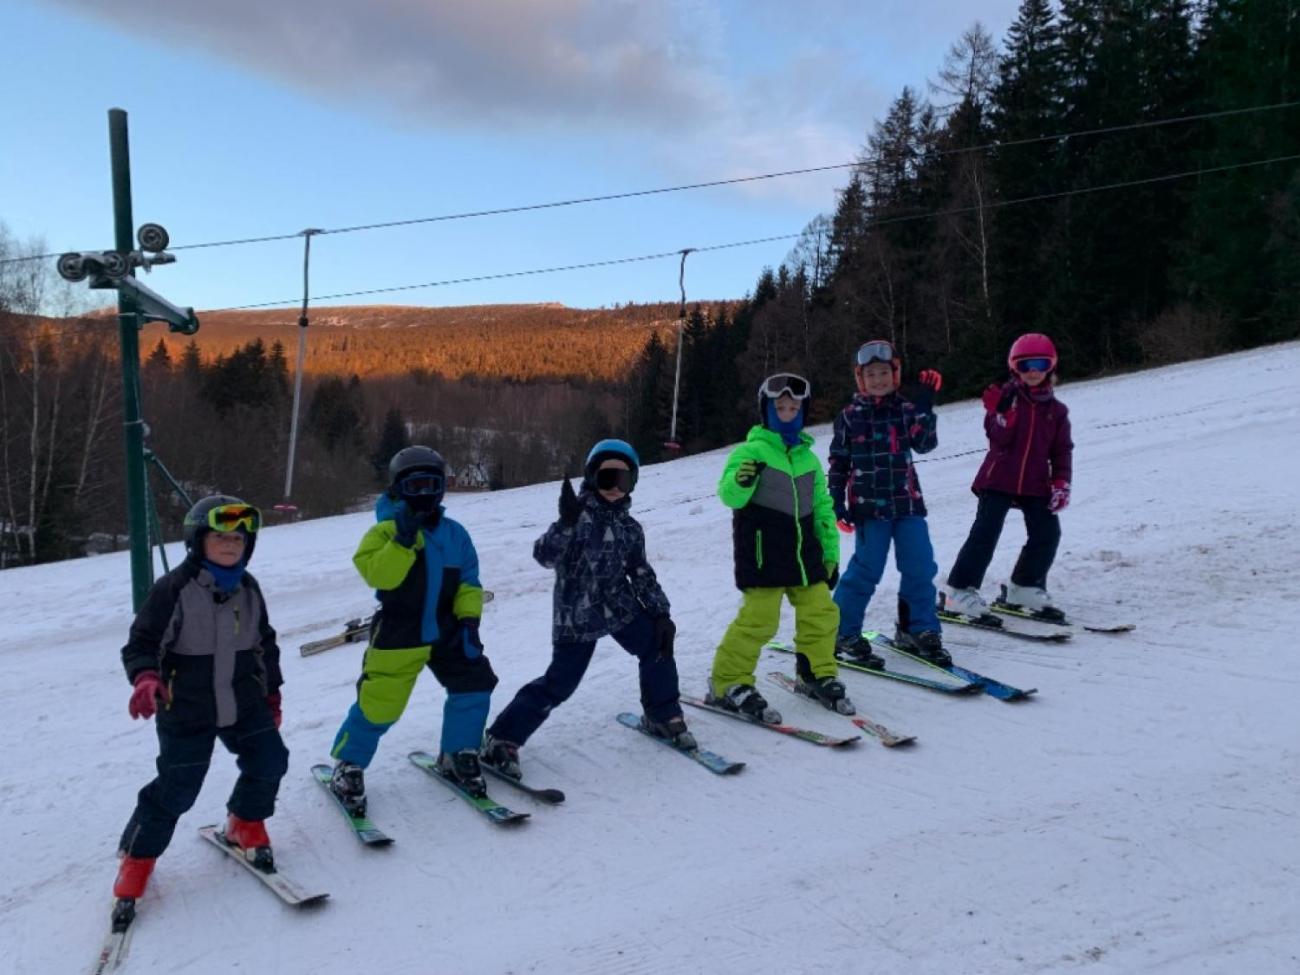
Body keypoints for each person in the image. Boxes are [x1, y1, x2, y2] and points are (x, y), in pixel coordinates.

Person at [112, 495, 288, 906]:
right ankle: (138, 857)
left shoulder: (248, 588)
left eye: (238, 540)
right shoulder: (174, 588)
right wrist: (145, 678)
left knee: (270, 761)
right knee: (178, 788)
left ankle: (244, 821)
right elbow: (142, 643)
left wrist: (272, 693)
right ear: (198, 541)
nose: (230, 546)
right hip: (186, 707)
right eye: (220, 537)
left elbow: (265, 644)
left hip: (244, 701)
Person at [482, 439, 691, 776]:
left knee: (657, 645)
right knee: (560, 683)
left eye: (622, 480)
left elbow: (640, 573)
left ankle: (662, 715)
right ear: (592, 478)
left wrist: (660, 613)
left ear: (632, 483)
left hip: (620, 609)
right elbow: (544, 556)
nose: (613, 488)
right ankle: (502, 738)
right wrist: (565, 524)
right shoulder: (576, 518)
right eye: (606, 478)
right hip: (577, 615)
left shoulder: (630, 528)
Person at [328, 445, 496, 809]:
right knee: (380, 704)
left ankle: (458, 753)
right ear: (397, 489)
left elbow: (469, 581)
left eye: (431, 485)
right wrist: (403, 542)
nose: (424, 495)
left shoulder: (455, 534)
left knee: (474, 684)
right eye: (414, 486)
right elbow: (380, 576)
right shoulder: (384, 533)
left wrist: (469, 620)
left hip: (449, 629)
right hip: (400, 631)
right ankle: (349, 764)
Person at [707, 374, 854, 722]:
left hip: (806, 558)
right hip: (763, 557)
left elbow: (822, 509)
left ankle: (815, 674)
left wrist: (830, 553)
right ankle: (727, 682)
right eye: (780, 408)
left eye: (794, 408)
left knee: (821, 612)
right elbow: (729, 494)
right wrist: (742, 479)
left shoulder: (809, 460)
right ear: (766, 412)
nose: (787, 413)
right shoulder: (751, 451)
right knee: (759, 620)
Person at [828, 339, 949, 666]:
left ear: (894, 375)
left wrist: (925, 409)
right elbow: (839, 462)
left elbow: (925, 445)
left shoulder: (906, 409)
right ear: (860, 379)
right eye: (871, 375)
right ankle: (841, 631)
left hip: (907, 503)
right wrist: (836, 501)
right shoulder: (850, 416)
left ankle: (917, 629)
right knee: (866, 570)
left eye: (884, 373)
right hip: (870, 508)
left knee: (920, 566)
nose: (878, 380)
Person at [944, 333, 1074, 616]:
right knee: (986, 532)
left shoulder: (1056, 411)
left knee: (1047, 532)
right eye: (1026, 365)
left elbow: (1061, 450)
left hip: (1036, 482)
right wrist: (1003, 415)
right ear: (1015, 368)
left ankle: (1024, 587)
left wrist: (1061, 482)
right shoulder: (1005, 398)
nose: (1033, 371)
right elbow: (997, 437)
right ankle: (959, 591)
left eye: (1040, 363)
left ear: (1050, 365)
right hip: (999, 478)